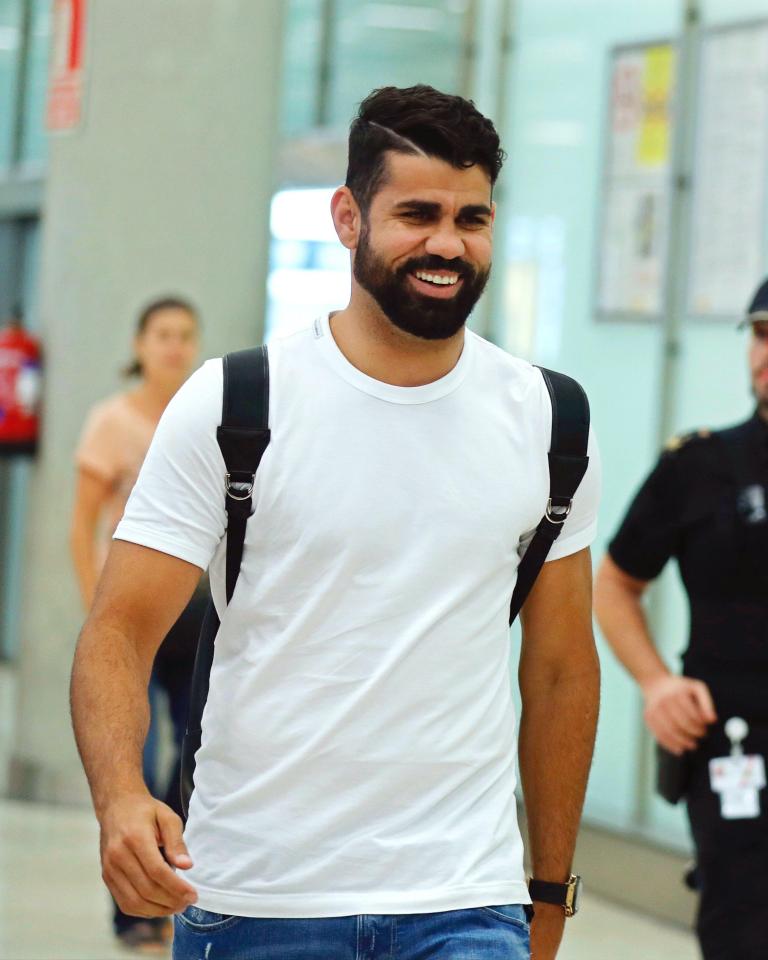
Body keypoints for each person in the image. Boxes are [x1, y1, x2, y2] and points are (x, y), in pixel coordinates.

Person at [70, 85, 601, 960]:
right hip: (258, 899)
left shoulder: (550, 420)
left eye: (473, 218)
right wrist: (121, 798)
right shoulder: (239, 402)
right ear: (348, 217)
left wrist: (547, 894)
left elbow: (558, 673)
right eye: (417, 213)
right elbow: (119, 631)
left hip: (465, 898)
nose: (446, 243)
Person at [594, 277, 768, 960]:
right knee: (744, 926)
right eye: (758, 335)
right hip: (732, 746)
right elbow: (614, 585)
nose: (764, 355)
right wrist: (656, 683)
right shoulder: (699, 465)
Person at [70, 295, 205, 953]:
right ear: (140, 344)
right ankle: (131, 910)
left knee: (192, 758)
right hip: (131, 617)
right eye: (162, 335)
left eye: (185, 336)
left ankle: (171, 892)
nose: (174, 347)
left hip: (195, 616)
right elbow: (82, 523)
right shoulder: (112, 423)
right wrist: (97, 612)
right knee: (138, 764)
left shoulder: (205, 419)